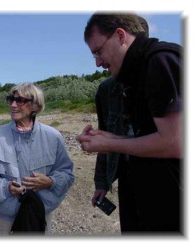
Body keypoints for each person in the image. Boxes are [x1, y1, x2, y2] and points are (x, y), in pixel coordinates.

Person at [77, 13, 182, 233]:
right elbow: (141, 134)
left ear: (120, 36)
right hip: (143, 190)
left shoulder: (160, 61)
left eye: (98, 51)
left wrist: (110, 144)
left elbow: (176, 142)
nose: (97, 63)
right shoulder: (131, 76)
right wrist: (108, 138)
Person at [0, 82, 75, 235]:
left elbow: (67, 174)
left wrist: (51, 182)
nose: (13, 105)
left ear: (35, 106)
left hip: (40, 211)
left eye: (20, 100)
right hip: (8, 215)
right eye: (11, 100)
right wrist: (7, 188)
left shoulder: (53, 137)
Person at [91, 16, 150, 232]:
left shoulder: (162, 70)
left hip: (164, 178)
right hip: (127, 175)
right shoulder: (107, 90)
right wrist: (102, 183)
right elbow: (105, 136)